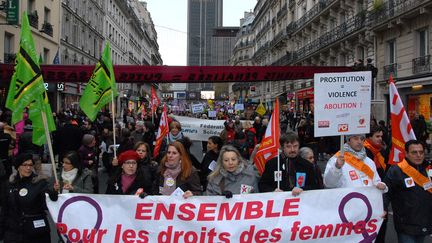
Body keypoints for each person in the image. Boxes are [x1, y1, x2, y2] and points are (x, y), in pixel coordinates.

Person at [0, 153, 57, 242]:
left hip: (35, 232)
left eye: (30, 165)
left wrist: (53, 192)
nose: (28, 168)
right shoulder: (9, 184)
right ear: (18, 167)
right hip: (14, 232)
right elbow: (5, 210)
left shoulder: (40, 182)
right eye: (25, 165)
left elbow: (49, 203)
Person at [384, 140, 432, 243]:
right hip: (406, 224)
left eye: (421, 152)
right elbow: (386, 192)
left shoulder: (428, 169)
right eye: (414, 152)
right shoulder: (396, 170)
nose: (418, 155)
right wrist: (383, 208)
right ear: (406, 154)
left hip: (425, 221)